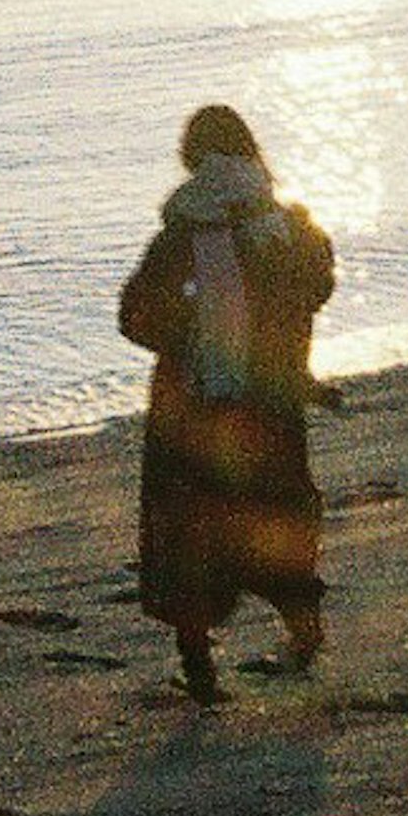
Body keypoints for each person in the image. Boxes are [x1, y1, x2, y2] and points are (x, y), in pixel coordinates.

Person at [118, 104, 337, 704]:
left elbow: (134, 317)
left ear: (191, 160)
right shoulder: (284, 226)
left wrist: (193, 339)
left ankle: (201, 671)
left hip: (192, 407)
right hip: (268, 403)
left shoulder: (180, 233)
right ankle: (304, 634)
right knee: (277, 521)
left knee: (186, 537)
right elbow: (318, 286)